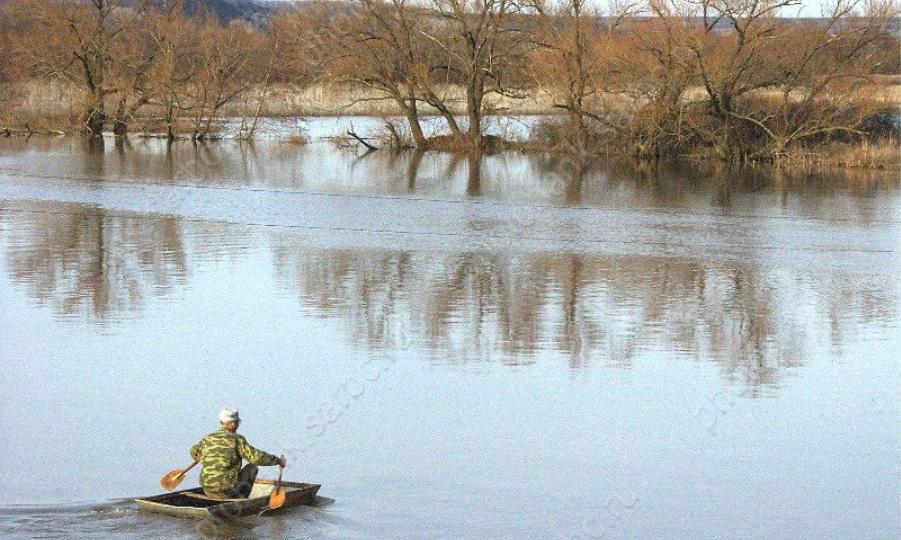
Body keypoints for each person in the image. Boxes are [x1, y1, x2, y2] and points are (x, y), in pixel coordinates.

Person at [190, 408, 286, 499]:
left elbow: (193, 451)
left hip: (207, 488)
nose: (238, 425)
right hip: (227, 490)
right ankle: (241, 499)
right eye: (238, 423)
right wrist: (277, 461)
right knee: (252, 467)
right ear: (232, 424)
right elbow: (256, 458)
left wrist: (204, 457)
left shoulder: (207, 439)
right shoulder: (237, 439)